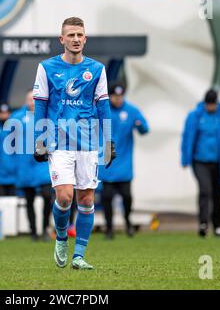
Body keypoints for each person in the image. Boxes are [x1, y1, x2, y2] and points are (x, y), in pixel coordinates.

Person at [32, 17, 116, 270]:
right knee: (65, 196)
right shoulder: (46, 67)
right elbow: (40, 104)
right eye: (71, 35)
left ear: (85, 38)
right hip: (59, 143)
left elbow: (103, 107)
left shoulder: (97, 69)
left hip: (88, 144)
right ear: (62, 39)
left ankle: (79, 256)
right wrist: (39, 138)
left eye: (80, 35)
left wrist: (109, 141)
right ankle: (60, 237)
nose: (76, 39)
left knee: (87, 199)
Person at [181, 89, 220, 237]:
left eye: (212, 105)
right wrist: (185, 158)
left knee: (218, 193)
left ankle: (217, 224)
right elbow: (187, 137)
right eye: (208, 105)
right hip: (200, 160)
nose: (210, 108)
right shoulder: (195, 116)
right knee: (205, 190)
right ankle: (203, 223)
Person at [99, 82, 149, 240]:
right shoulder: (102, 110)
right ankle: (109, 227)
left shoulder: (132, 111)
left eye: (120, 96)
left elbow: (145, 129)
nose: (118, 99)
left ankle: (128, 222)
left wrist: (140, 126)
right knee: (106, 197)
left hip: (124, 164)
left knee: (127, 196)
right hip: (107, 164)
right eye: (115, 96)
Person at [11, 90, 54, 241]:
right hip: (25, 165)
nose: (32, 102)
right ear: (26, 101)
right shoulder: (17, 118)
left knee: (47, 195)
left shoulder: (48, 115)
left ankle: (44, 228)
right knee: (29, 199)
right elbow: (10, 141)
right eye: (30, 99)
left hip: (42, 163)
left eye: (35, 99)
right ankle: (33, 232)